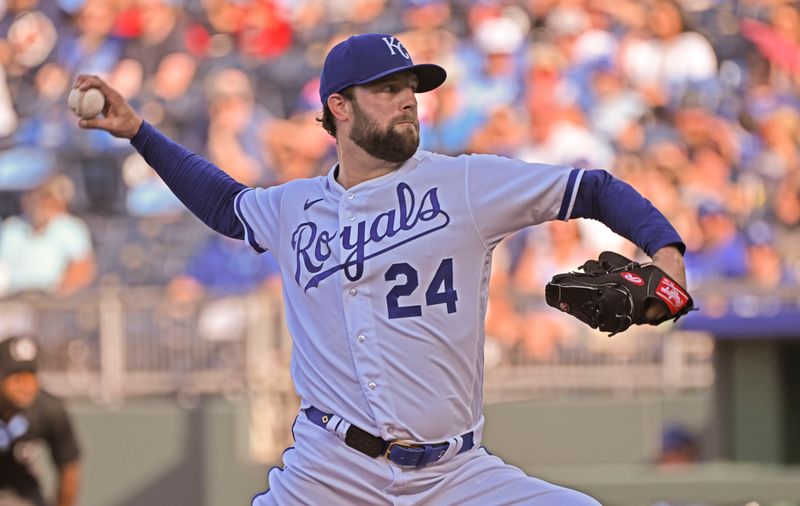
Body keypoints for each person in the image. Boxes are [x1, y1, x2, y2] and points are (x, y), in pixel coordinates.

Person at [74, 32, 687, 505]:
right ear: (338, 106)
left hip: (456, 475)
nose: (406, 102)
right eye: (387, 88)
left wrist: (668, 257)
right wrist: (139, 133)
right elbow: (226, 205)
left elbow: (594, 189)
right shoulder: (294, 208)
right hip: (330, 470)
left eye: (410, 89)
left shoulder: (465, 183)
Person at [0, 336, 81, 506]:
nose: (25, 385)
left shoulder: (48, 410)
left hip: (22, 492)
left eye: (30, 376)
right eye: (16, 377)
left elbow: (68, 468)